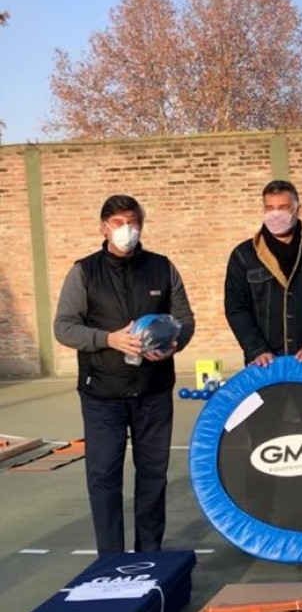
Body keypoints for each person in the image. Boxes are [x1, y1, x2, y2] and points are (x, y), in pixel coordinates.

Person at [54, 195, 195, 554]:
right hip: (102, 394)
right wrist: (108, 339)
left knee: (152, 477)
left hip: (153, 392)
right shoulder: (83, 271)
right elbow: (64, 327)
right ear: (103, 227)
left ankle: (149, 555)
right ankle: (110, 559)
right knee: (104, 478)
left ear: (141, 226)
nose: (126, 231)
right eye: (118, 223)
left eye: (132, 223)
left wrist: (175, 342)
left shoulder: (162, 268)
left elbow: (185, 319)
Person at [224, 180, 302, 365]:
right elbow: (236, 308)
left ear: (297, 210)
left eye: (282, 207)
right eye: (269, 208)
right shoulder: (243, 256)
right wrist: (257, 349)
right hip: (263, 365)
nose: (275, 214)